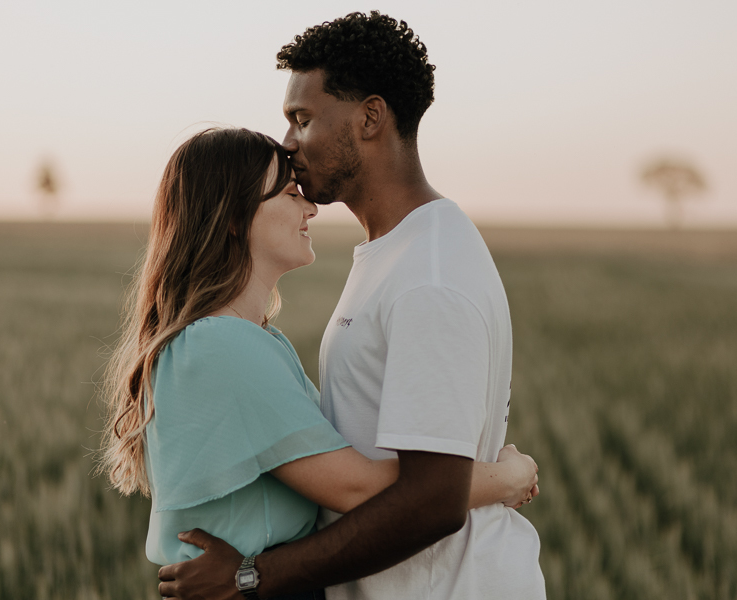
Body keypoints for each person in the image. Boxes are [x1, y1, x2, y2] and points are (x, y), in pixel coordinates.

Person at [157, 12, 546, 600]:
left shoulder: (428, 275)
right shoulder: (392, 255)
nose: (289, 143)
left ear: (370, 117)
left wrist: (251, 577)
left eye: (303, 119)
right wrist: (501, 476)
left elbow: (431, 499)